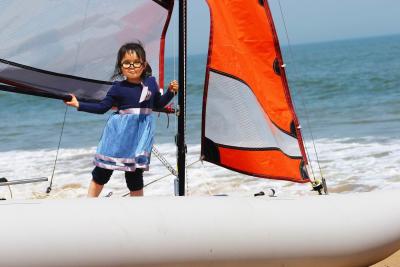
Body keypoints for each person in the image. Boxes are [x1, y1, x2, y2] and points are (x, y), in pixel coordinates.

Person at [64, 42, 178, 197]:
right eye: (126, 63)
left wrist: (171, 92)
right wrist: (79, 105)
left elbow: (157, 104)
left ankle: (137, 208)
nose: (132, 66)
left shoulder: (151, 82)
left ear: (144, 64)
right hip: (118, 135)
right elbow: (102, 108)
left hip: (140, 136)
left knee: (135, 173)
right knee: (103, 170)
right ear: (120, 66)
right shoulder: (118, 87)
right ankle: (89, 202)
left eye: (136, 62)